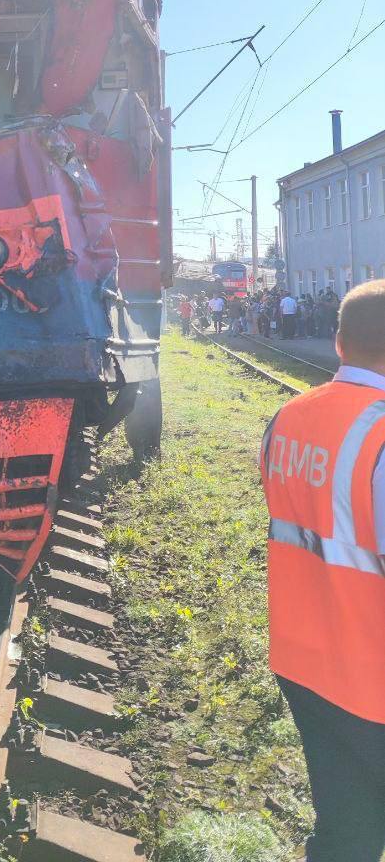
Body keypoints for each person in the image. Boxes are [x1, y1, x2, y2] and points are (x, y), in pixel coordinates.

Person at [261, 279, 385, 861]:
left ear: (338, 342)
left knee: (346, 827)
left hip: (303, 659)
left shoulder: (287, 416)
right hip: (373, 679)